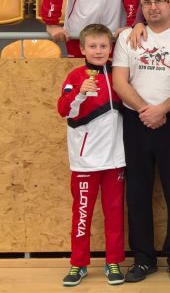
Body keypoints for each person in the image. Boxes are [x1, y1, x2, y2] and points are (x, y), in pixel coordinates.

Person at [112, 0, 170, 283]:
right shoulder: (128, 38)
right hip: (136, 121)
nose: (153, 7)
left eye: (158, 1)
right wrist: (145, 110)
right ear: (141, 7)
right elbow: (120, 82)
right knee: (138, 193)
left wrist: (162, 109)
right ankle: (143, 259)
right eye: (147, 3)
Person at [57, 24, 126, 287]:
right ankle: (78, 263)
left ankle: (113, 261)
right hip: (85, 161)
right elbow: (63, 110)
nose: (98, 51)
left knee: (114, 213)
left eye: (103, 46)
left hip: (115, 160)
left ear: (111, 49)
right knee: (82, 213)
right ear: (83, 49)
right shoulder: (75, 76)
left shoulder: (119, 74)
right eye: (93, 46)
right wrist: (79, 93)